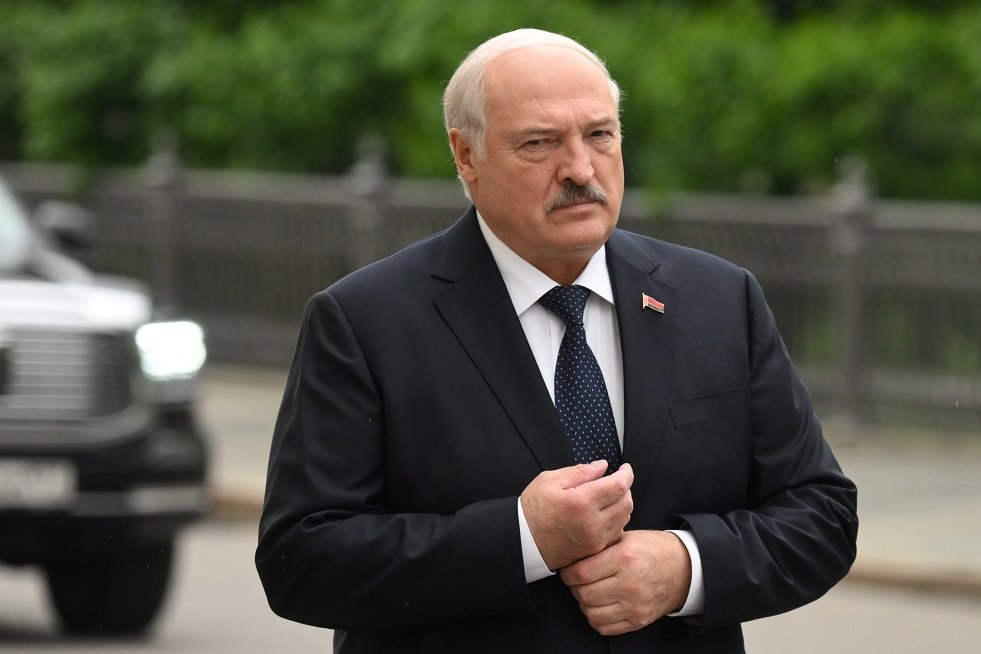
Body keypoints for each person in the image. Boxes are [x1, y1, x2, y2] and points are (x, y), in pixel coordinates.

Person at [256, 28, 858, 653]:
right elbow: (299, 560)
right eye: (539, 143)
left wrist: (685, 568)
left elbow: (824, 517)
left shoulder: (719, 299)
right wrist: (521, 540)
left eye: (600, 134)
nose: (579, 168)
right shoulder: (364, 321)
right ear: (466, 156)